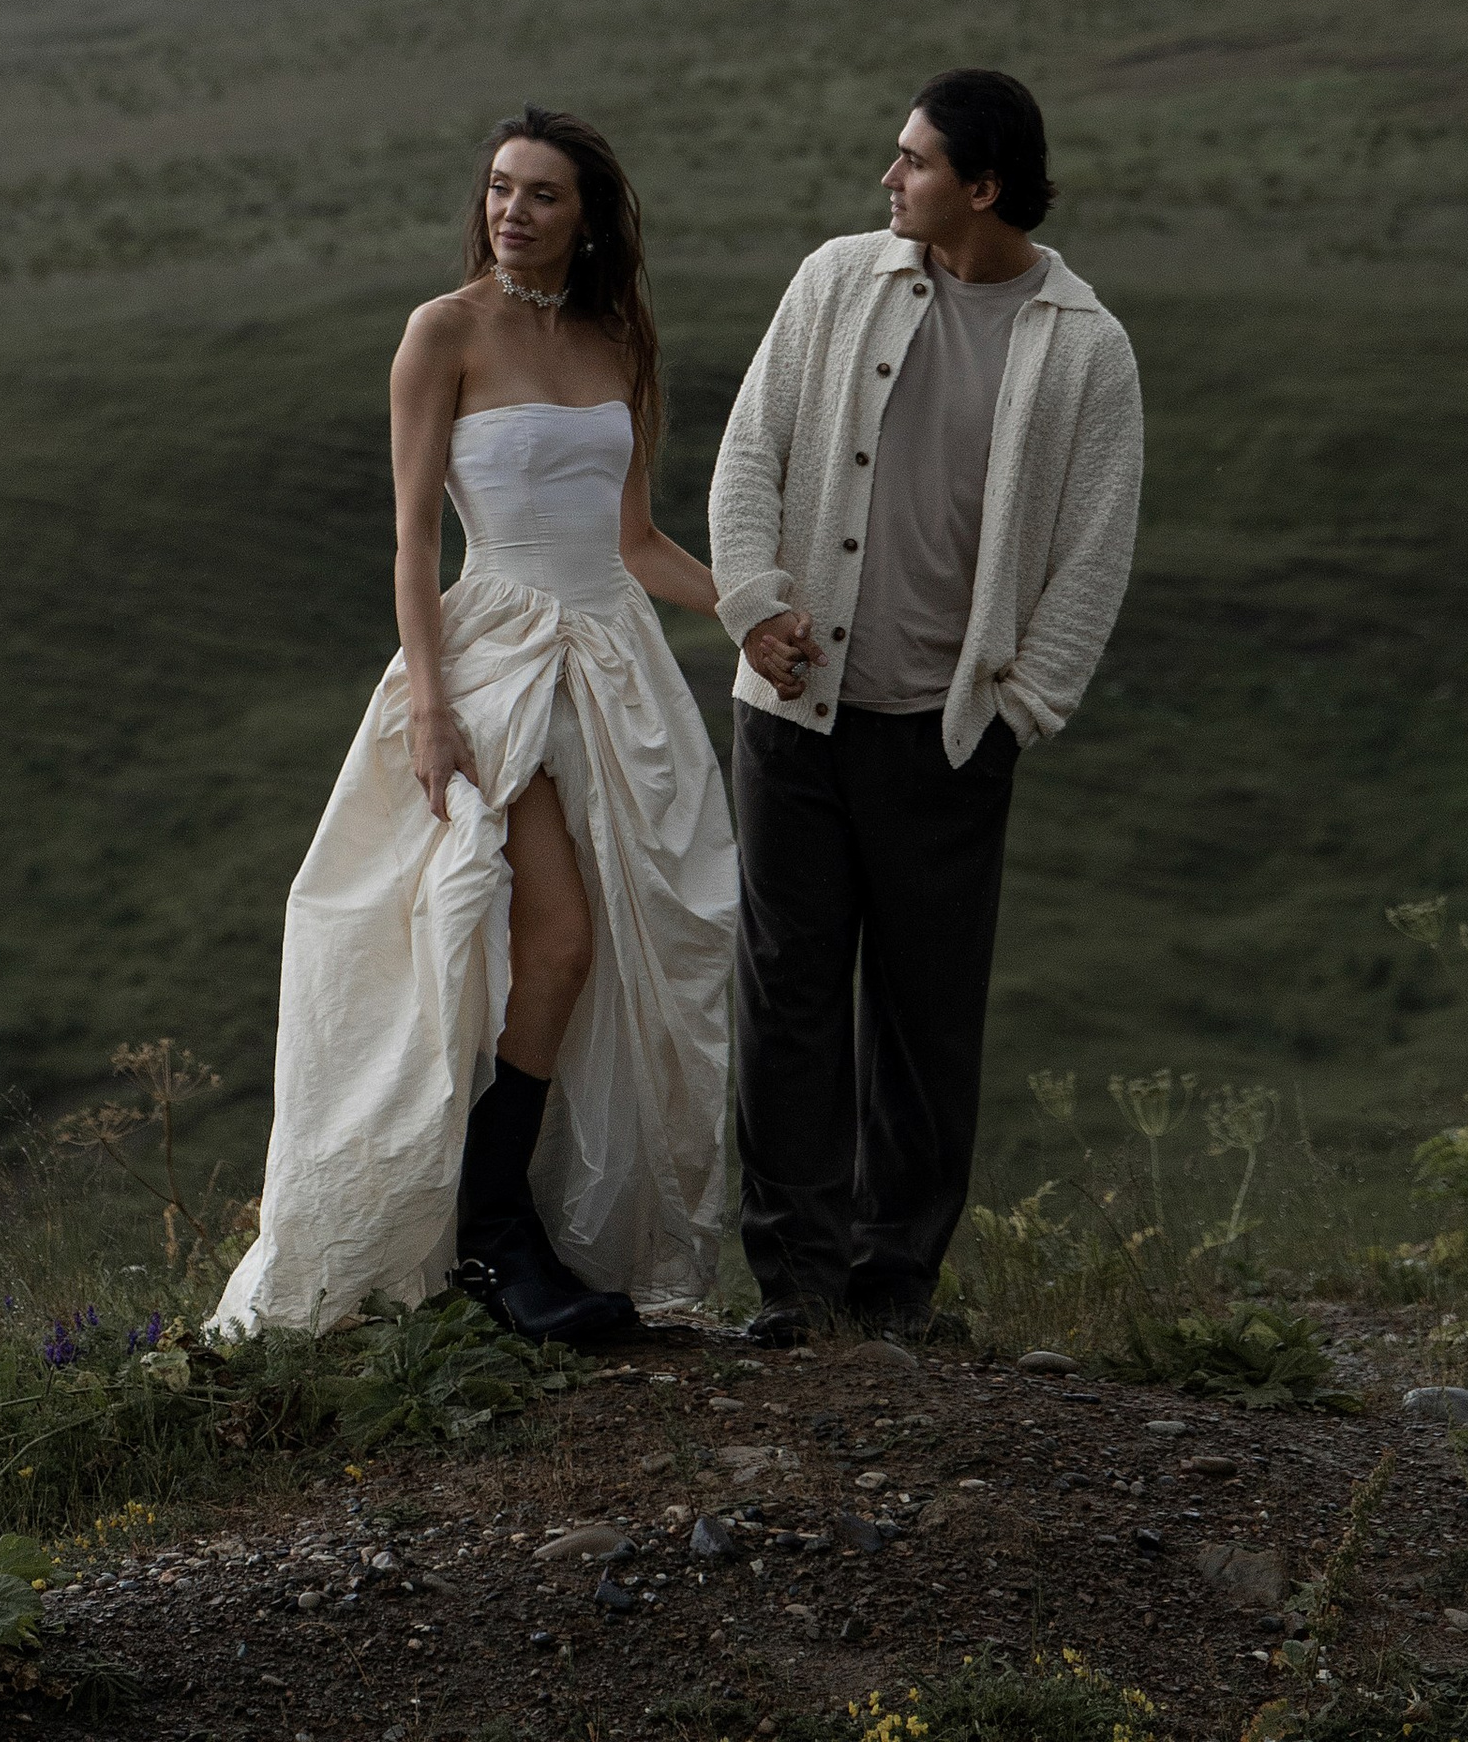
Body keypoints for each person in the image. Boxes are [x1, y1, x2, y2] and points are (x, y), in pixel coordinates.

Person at [213, 107, 736, 1346]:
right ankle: (490, 1236)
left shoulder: (619, 336)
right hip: (496, 656)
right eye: (500, 188)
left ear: (589, 218)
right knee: (546, 936)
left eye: (542, 194)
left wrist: (753, 605)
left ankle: (520, 1220)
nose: (512, 210)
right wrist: (433, 704)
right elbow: (409, 536)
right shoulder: (441, 332)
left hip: (615, 656)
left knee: (634, 940)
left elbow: (634, 542)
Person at [707, 67, 1143, 1341]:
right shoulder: (836, 280)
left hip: (946, 732)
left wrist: (1022, 708)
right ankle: (796, 1288)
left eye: (912, 161)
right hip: (794, 708)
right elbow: (751, 452)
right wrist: (752, 606)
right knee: (787, 995)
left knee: (924, 1013)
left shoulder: (1084, 347)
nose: (887, 178)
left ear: (983, 187)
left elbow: (1094, 547)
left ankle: (896, 1289)